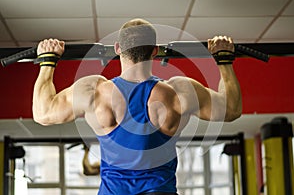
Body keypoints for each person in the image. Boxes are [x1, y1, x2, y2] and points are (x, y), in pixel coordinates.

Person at [32, 18, 242, 195]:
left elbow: (42, 113)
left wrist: (47, 61)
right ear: (155, 51)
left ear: (117, 49)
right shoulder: (180, 92)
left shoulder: (93, 91)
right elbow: (231, 109)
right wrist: (224, 58)